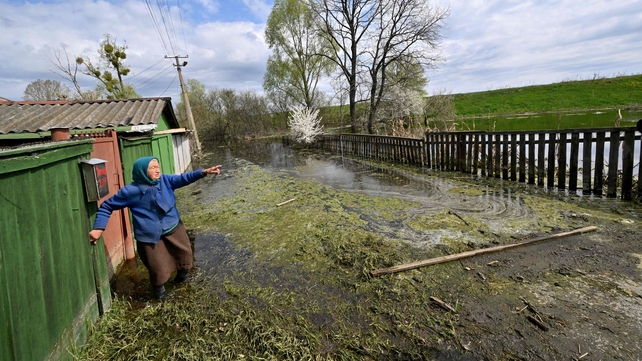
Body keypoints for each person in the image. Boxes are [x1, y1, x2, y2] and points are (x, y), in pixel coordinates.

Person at [89, 156, 221, 299]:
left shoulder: (165, 181)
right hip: (150, 237)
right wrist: (99, 228)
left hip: (174, 228)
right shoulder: (130, 191)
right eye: (152, 167)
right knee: (157, 267)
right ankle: (160, 294)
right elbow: (107, 206)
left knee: (185, 255)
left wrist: (203, 172)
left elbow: (183, 178)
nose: (157, 170)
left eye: (157, 166)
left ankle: (182, 281)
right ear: (142, 171)